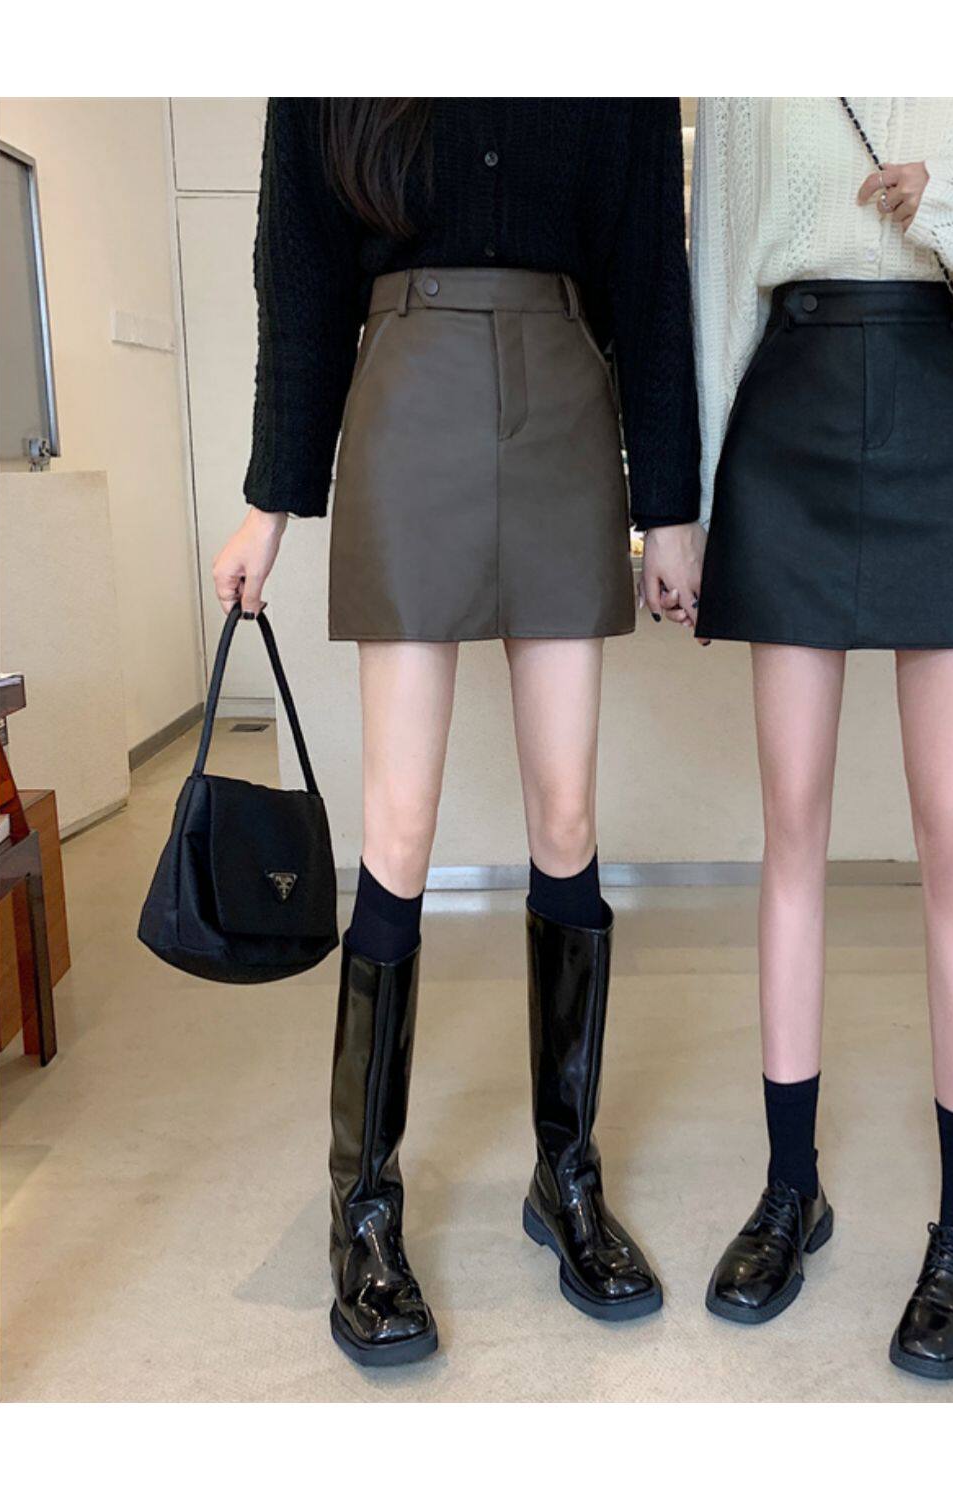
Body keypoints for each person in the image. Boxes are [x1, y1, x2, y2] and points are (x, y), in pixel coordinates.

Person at [213, 98, 704, 1366]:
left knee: (568, 816)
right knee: (399, 826)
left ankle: (566, 1175)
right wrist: (272, 500)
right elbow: (299, 273)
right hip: (407, 392)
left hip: (566, 398)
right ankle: (364, 1209)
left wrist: (671, 503)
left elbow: (650, 272)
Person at [688, 97, 953, 1378]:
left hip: (946, 403)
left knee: (950, 840)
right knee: (792, 829)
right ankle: (789, 1188)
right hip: (787, 413)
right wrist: (687, 507)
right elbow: (719, 267)